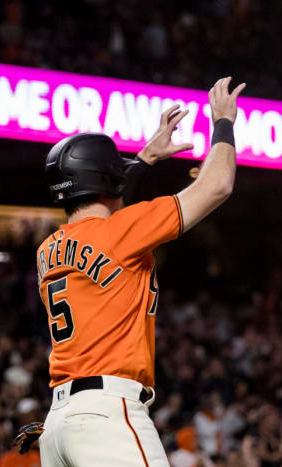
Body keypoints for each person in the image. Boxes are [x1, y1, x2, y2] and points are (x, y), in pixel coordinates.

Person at [29, 76, 245, 466]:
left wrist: (144, 159)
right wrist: (224, 122)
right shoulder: (121, 231)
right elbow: (217, 185)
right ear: (110, 180)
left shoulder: (48, 249)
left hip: (58, 424)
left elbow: (106, 202)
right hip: (106, 414)